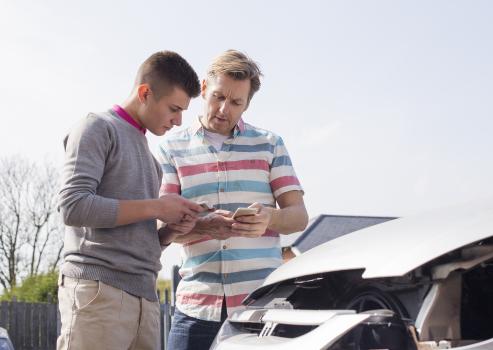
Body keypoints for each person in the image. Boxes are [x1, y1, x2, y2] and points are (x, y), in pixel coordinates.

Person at [158, 50, 309, 350]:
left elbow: (299, 216)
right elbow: (164, 227)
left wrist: (270, 217)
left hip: (260, 306)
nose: (224, 109)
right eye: (217, 97)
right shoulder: (170, 148)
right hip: (195, 307)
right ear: (203, 89)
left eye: (236, 102)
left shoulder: (270, 144)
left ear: (247, 104)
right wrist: (204, 227)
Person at [57, 51, 204, 350]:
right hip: (99, 293)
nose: (178, 121)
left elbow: (136, 235)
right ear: (145, 93)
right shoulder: (96, 127)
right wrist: (159, 207)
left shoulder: (151, 160)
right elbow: (73, 206)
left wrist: (170, 231)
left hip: (145, 299)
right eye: (174, 109)